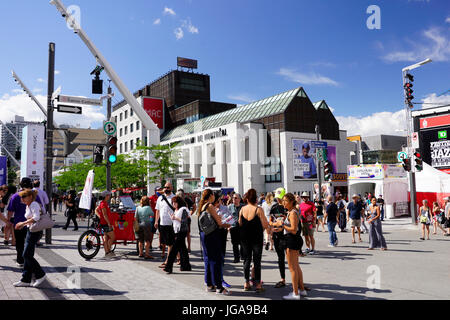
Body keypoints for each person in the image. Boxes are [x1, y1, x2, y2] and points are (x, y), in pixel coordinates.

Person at [272, 193, 306, 300]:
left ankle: (295, 293)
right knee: (296, 267)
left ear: (291, 202)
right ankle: (301, 289)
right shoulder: (290, 212)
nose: (283, 202)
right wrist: (281, 225)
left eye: (286, 200)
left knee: (293, 269)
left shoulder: (292, 213)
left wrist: (282, 225)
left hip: (292, 240)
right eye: (283, 200)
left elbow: (294, 230)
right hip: (292, 240)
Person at [198, 189, 232, 295]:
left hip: (204, 234)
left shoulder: (202, 206)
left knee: (208, 259)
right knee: (215, 260)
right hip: (212, 235)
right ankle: (219, 287)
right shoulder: (210, 206)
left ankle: (209, 284)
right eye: (213, 195)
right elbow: (219, 223)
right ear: (211, 195)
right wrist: (228, 223)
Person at [13, 189, 47, 287]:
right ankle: (26, 279)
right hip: (30, 231)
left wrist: (22, 223)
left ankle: (40, 275)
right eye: (21, 197)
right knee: (27, 255)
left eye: (24, 197)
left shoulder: (34, 204)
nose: (22, 199)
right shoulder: (28, 205)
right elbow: (31, 218)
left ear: (30, 197)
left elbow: (36, 217)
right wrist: (23, 225)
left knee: (26, 255)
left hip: (35, 232)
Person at [7, 178, 43, 267]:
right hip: (31, 224)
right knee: (29, 244)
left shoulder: (15, 196)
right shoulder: (34, 195)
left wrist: (8, 221)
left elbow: (10, 211)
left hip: (18, 223)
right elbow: (41, 207)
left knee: (19, 242)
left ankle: (20, 260)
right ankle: (29, 261)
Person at [239, 189, 268, 293]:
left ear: (247, 199)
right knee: (257, 261)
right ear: (256, 199)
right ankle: (258, 284)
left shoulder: (242, 209)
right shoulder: (258, 210)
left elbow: (240, 223)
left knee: (246, 260)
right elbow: (265, 225)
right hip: (256, 238)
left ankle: (246, 283)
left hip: (245, 238)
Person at [164, 196, 191, 273]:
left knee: (174, 249)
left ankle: (168, 266)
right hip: (177, 231)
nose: (173, 204)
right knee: (183, 249)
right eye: (172, 202)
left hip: (181, 231)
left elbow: (184, 221)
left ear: (179, 202)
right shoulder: (177, 210)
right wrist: (173, 217)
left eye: (175, 202)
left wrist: (175, 218)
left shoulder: (183, 209)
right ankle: (186, 266)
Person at [213, 192, 232, 289]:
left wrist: (226, 222)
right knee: (215, 258)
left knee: (221, 256)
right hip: (213, 234)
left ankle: (220, 279)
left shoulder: (224, 208)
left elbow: (229, 218)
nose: (218, 203)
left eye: (220, 201)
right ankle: (216, 280)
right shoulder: (210, 208)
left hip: (222, 233)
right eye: (217, 201)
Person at [155, 182, 175, 267]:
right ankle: (175, 258)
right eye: (165, 187)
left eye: (168, 187)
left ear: (172, 188)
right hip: (162, 223)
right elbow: (158, 210)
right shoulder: (160, 198)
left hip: (171, 224)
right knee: (164, 243)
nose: (166, 189)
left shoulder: (174, 198)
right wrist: (156, 221)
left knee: (170, 243)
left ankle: (168, 261)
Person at [270, 188, 287, 289]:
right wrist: (275, 225)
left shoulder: (287, 208)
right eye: (277, 198)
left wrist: (282, 225)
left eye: (280, 198)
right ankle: (282, 279)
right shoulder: (274, 207)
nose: (279, 200)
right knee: (280, 258)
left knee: (291, 259)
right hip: (277, 236)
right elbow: (270, 221)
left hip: (287, 236)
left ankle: (298, 281)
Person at [95, 191, 116, 258]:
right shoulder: (103, 204)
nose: (109, 197)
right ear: (106, 196)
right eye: (109, 195)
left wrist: (100, 217)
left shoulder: (102, 203)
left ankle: (107, 252)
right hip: (106, 223)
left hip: (103, 223)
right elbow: (105, 214)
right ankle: (108, 252)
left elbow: (96, 210)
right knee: (112, 237)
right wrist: (109, 223)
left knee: (105, 238)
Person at [228, 193, 244, 263]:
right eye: (233, 198)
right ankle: (236, 258)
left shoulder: (243, 207)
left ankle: (242, 255)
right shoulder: (229, 207)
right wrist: (228, 226)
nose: (234, 199)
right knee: (234, 243)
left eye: (236, 198)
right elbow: (227, 216)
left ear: (239, 199)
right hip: (233, 227)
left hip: (242, 227)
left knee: (242, 242)